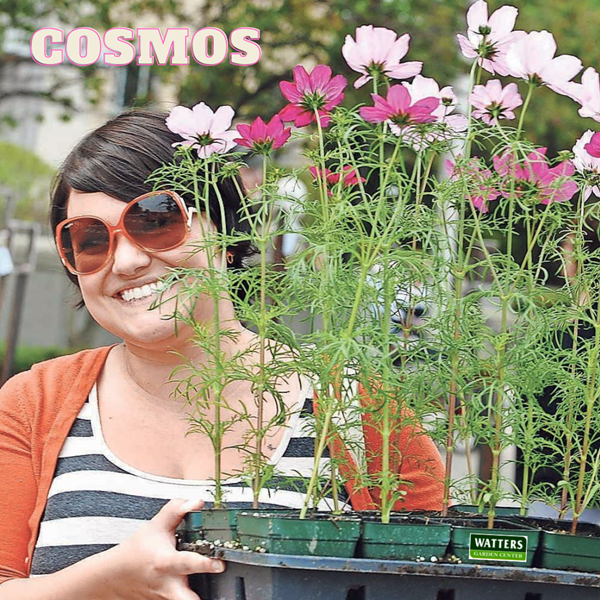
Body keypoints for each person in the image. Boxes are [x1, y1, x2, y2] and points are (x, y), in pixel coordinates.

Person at [0, 110, 444, 599]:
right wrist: (105, 581)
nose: (125, 261)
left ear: (227, 233)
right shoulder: (32, 405)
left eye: (156, 218)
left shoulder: (357, 407)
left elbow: (442, 584)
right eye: (89, 240)